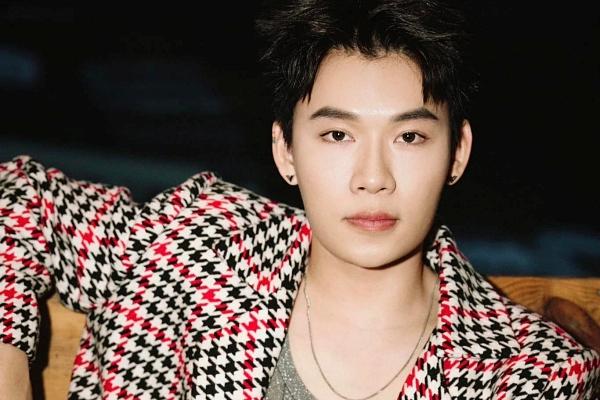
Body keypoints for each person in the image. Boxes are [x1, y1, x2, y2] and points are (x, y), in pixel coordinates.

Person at [0, 0, 598, 399]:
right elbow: (21, 198)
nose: (373, 178)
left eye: (410, 137)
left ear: (457, 152)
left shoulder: (527, 373)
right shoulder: (199, 247)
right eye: (337, 135)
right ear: (285, 151)